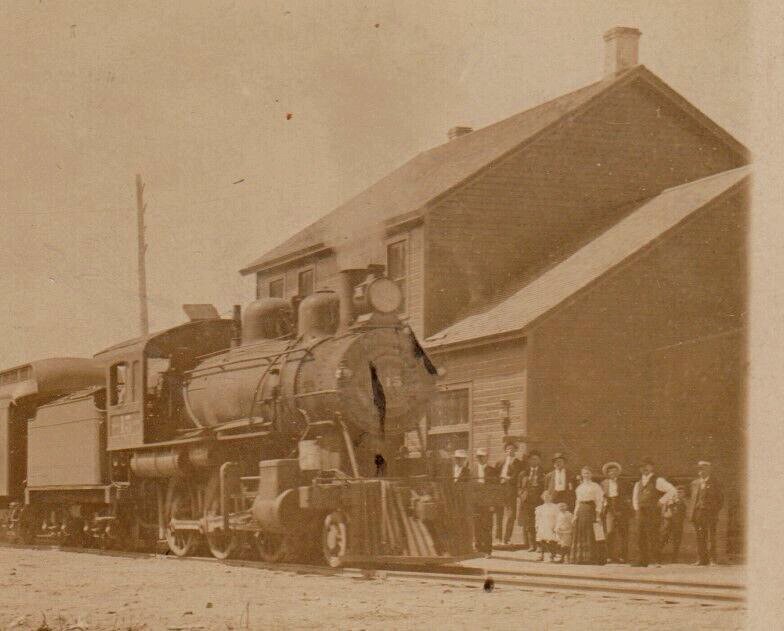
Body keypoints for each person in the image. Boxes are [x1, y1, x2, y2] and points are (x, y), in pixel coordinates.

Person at [631, 457, 677, 567]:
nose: (644, 469)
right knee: (640, 536)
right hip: (641, 512)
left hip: (652, 512)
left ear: (652, 467)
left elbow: (672, 490)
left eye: (647, 466)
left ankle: (655, 560)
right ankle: (642, 560)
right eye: (642, 467)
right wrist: (637, 509)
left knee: (653, 535)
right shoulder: (638, 483)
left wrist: (661, 501)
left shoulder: (658, 480)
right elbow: (635, 497)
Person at [571, 465, 606, 565]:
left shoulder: (596, 486)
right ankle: (581, 558)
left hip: (591, 510)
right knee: (581, 531)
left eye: (588, 473)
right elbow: (577, 502)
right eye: (584, 473)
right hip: (581, 510)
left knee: (593, 532)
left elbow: (599, 501)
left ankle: (593, 558)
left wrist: (598, 515)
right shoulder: (579, 487)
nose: (586, 475)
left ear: (591, 474)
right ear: (582, 474)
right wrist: (575, 515)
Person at [690, 461, 724, 566]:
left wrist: (714, 511)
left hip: (710, 514)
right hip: (697, 514)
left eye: (702, 468)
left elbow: (720, 500)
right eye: (699, 469)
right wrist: (693, 513)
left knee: (710, 537)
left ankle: (712, 560)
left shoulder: (716, 483)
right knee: (700, 537)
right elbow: (693, 499)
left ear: (709, 469)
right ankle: (701, 560)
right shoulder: (694, 483)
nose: (700, 471)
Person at [494, 440, 523, 545]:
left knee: (511, 515)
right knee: (499, 514)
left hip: (511, 490)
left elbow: (518, 477)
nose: (510, 451)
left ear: (516, 450)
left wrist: (508, 479)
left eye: (512, 449)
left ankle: (507, 538)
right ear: (505, 451)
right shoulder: (500, 462)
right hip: (500, 490)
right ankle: (498, 538)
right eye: (507, 449)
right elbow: (494, 476)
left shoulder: (519, 463)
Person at [601, 461, 630, 563]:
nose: (612, 473)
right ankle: (609, 556)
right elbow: (602, 496)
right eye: (610, 472)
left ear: (618, 472)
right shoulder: (604, 483)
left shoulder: (623, 482)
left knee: (623, 533)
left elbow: (627, 497)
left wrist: (625, 508)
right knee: (609, 532)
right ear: (607, 473)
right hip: (609, 509)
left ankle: (623, 556)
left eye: (614, 471)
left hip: (621, 509)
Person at [518, 449, 545, 551]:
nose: (534, 461)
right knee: (529, 524)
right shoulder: (523, 473)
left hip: (539, 501)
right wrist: (522, 495)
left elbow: (545, 487)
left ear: (539, 460)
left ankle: (539, 545)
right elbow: (519, 487)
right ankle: (531, 545)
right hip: (527, 502)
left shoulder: (544, 473)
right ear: (529, 461)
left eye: (536, 459)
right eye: (532, 459)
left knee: (539, 523)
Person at [472, 447, 496, 558]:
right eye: (479, 457)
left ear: (487, 458)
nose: (481, 459)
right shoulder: (473, 470)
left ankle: (487, 550)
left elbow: (495, 489)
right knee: (477, 526)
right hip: (476, 503)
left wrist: (492, 504)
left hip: (487, 503)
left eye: (483, 456)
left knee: (487, 526)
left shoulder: (492, 470)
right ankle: (478, 549)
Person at [660, 485, 688, 563]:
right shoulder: (669, 499)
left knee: (677, 540)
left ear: (684, 494)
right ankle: (657, 555)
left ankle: (674, 558)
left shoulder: (685, 501)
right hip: (668, 522)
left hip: (678, 523)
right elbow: (663, 511)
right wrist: (666, 515)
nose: (679, 494)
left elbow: (687, 512)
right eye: (677, 492)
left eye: (681, 492)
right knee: (663, 538)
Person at [534, 490, 559, 562]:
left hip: (551, 525)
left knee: (551, 541)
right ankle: (541, 555)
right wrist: (537, 526)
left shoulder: (555, 507)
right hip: (542, 525)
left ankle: (552, 555)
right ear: (542, 497)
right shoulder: (540, 508)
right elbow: (537, 518)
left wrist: (555, 526)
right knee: (541, 541)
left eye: (548, 496)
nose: (547, 498)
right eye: (545, 496)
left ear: (551, 497)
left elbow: (558, 517)